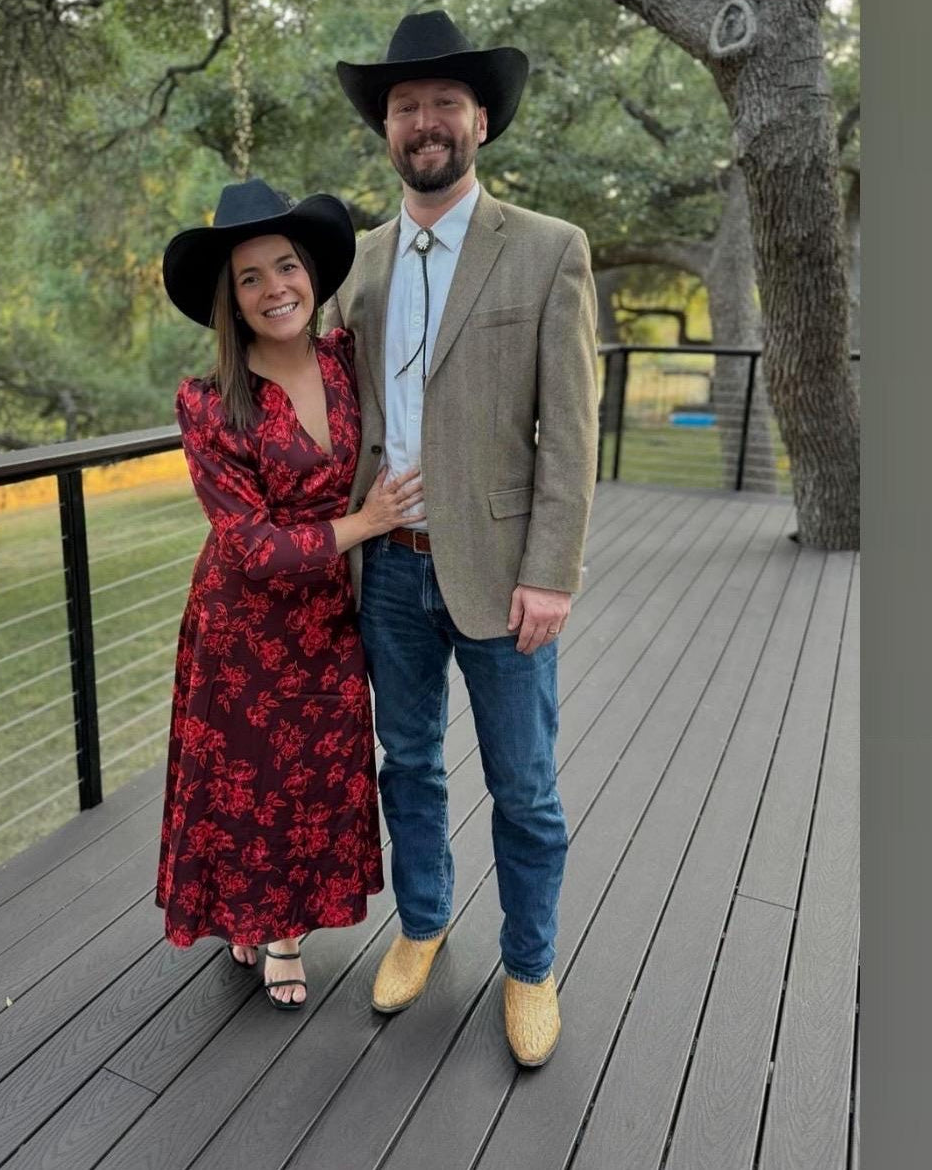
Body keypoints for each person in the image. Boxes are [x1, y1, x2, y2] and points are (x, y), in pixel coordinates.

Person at [325, 10, 599, 1064]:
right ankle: (425, 923)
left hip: (501, 574)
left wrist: (552, 572)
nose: (426, 121)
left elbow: (569, 432)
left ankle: (530, 966)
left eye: (446, 102)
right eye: (407, 106)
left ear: (481, 120)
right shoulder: (357, 264)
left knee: (524, 785)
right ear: (386, 128)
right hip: (390, 575)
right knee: (408, 764)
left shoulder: (548, 250)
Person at [156, 178, 425, 1010]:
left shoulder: (346, 361)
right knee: (247, 782)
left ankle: (273, 919)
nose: (274, 288)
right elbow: (252, 545)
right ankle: (270, 930)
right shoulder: (209, 403)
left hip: (330, 618)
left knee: (311, 781)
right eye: (250, 277)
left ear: (311, 274)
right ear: (231, 301)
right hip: (244, 629)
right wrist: (367, 522)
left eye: (286, 267)